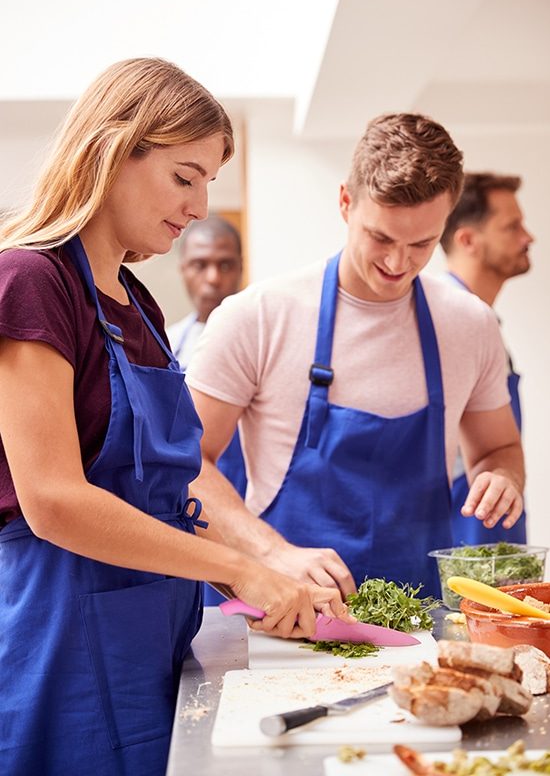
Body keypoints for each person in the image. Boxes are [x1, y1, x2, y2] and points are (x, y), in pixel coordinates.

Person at [0, 58, 349, 776]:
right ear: (110, 151)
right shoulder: (30, 281)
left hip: (154, 635)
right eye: (184, 177)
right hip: (60, 636)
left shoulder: (141, 306)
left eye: (209, 183)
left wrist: (262, 569)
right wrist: (242, 570)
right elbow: (54, 502)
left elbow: (169, 487)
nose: (197, 206)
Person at [186, 113, 525, 602]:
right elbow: (187, 464)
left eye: (421, 244)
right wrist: (272, 552)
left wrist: (502, 477)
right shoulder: (258, 317)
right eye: (381, 238)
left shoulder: (470, 325)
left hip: (418, 621)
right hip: (284, 613)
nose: (397, 263)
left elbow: (499, 451)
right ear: (346, 202)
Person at [440, 172, 534, 545]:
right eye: (512, 227)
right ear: (468, 240)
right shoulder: (449, 322)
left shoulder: (485, 322)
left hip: (493, 525)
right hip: (464, 530)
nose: (528, 238)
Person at [167, 215, 247, 501]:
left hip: (248, 500)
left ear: (240, 266)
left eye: (224, 265)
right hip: (184, 501)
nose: (213, 278)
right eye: (200, 265)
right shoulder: (166, 344)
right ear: (183, 269)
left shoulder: (261, 339)